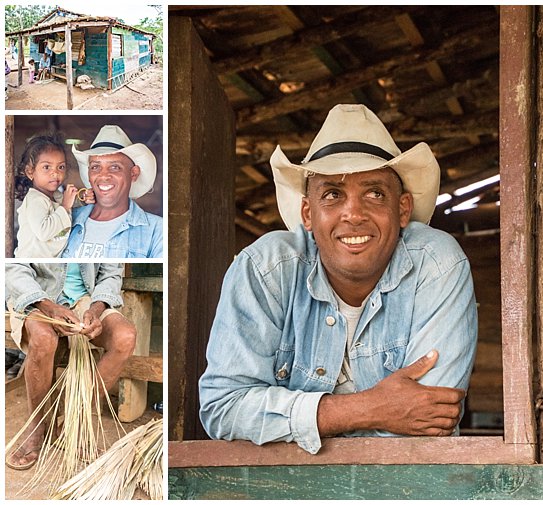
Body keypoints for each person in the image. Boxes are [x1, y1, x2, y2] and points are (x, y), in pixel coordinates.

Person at [199, 104, 478, 454]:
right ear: (307, 214)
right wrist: (372, 409)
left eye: (375, 193)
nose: (354, 214)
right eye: (332, 194)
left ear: (403, 209)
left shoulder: (437, 264)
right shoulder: (266, 267)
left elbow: (429, 425)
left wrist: (289, 424)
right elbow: (223, 409)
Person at [5, 263, 137, 470]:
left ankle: (71, 426)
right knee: (43, 339)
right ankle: (37, 427)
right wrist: (49, 306)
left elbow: (111, 273)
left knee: (125, 337)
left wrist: (96, 307)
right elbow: (13, 269)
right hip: (36, 298)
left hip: (86, 299)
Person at [62, 125, 163, 258]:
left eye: (115, 167)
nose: (104, 176)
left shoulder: (158, 230)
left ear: (133, 173)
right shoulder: (66, 220)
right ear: (89, 173)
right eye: (96, 167)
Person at [14, 132, 94, 258]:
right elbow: (44, 232)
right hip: (31, 263)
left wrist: (83, 198)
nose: (55, 173)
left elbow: (71, 203)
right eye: (47, 167)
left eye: (61, 167)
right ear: (30, 172)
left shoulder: (55, 196)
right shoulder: (35, 200)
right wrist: (66, 207)